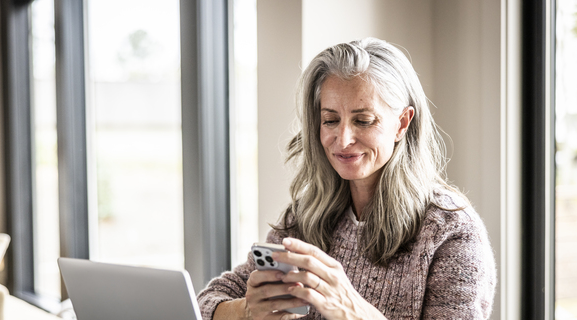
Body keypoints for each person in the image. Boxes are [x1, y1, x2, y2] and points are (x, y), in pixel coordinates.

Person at [197, 37, 496, 320]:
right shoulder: (306, 218)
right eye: (330, 120)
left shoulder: (450, 233)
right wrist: (247, 312)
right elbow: (207, 301)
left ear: (402, 124)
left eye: (363, 120)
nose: (343, 139)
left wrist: (352, 310)